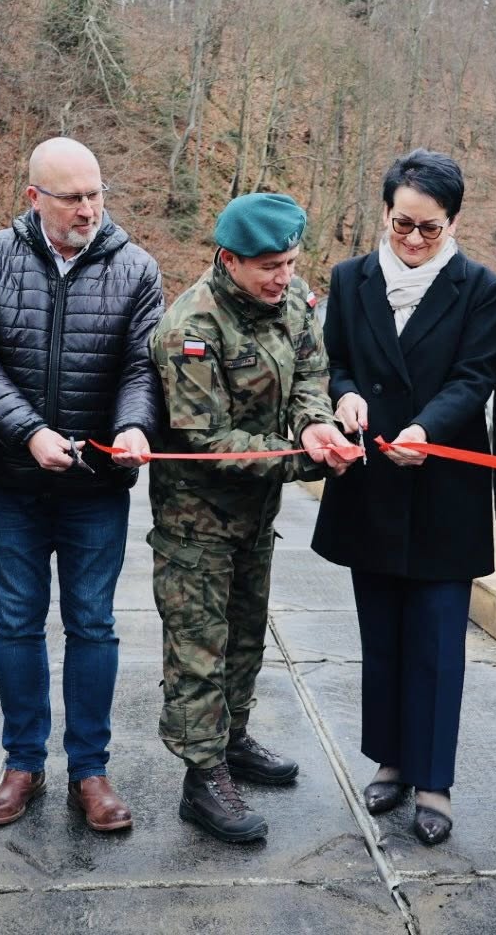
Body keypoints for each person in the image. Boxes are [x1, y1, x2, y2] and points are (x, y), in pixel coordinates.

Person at [0, 137, 163, 834]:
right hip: (14, 480)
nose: (88, 208)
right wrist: (29, 432)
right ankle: (21, 764)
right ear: (33, 198)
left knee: (93, 624)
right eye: (71, 196)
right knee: (15, 621)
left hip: (97, 485)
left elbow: (142, 363)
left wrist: (135, 427)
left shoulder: (137, 268)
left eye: (96, 193)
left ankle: (91, 771)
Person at [310, 150, 496, 847]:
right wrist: (347, 394)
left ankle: (435, 780)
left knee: (438, 641)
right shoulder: (350, 278)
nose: (414, 240)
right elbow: (333, 361)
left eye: (429, 228)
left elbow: (476, 375)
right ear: (385, 213)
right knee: (382, 634)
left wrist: (429, 427)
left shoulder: (480, 287)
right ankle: (390, 760)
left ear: (452, 222)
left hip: (443, 480)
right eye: (402, 225)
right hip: (372, 479)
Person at [149, 192, 356, 844]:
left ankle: (232, 740)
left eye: (291, 262)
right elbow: (206, 443)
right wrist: (305, 459)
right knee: (199, 648)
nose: (283, 277)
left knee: (245, 635)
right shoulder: (191, 326)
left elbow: (309, 382)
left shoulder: (293, 304)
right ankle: (201, 777)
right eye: (269, 265)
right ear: (229, 259)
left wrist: (315, 426)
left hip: (255, 514)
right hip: (196, 521)